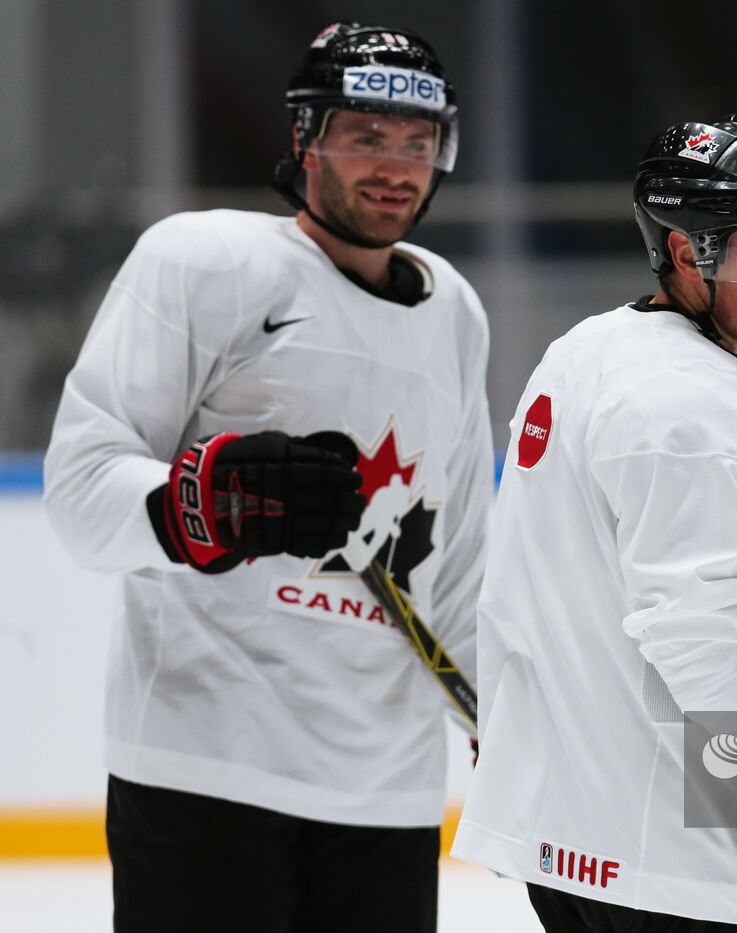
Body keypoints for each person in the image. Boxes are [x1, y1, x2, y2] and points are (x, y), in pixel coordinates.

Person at [43, 22, 492, 933]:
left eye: (418, 141)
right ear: (305, 141)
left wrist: (505, 715)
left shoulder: (455, 308)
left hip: (387, 792)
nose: (396, 165)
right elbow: (83, 492)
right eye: (365, 136)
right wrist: (200, 506)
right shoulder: (202, 261)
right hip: (207, 763)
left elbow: (464, 554)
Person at [451, 114, 737, 931]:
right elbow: (705, 630)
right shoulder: (697, 400)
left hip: (579, 844)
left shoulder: (584, 352)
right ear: (687, 249)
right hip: (681, 865)